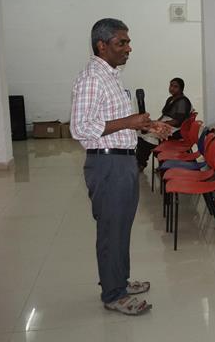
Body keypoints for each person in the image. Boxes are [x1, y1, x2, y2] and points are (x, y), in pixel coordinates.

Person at [70, 18, 172, 315]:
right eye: (121, 43)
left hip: (122, 159)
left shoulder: (111, 76)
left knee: (122, 228)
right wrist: (130, 121)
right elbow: (81, 127)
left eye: (128, 41)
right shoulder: (92, 78)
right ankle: (113, 294)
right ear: (102, 45)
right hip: (107, 163)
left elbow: (113, 123)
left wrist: (148, 126)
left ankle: (121, 282)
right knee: (111, 229)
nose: (129, 48)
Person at [135, 77, 192, 171]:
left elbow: (178, 121)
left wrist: (160, 124)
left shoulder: (183, 101)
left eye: (175, 86)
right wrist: (154, 123)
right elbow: (164, 115)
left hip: (174, 129)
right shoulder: (171, 99)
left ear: (181, 88)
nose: (172, 88)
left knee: (148, 137)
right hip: (166, 124)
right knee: (142, 133)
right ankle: (144, 162)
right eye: (171, 85)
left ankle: (148, 163)